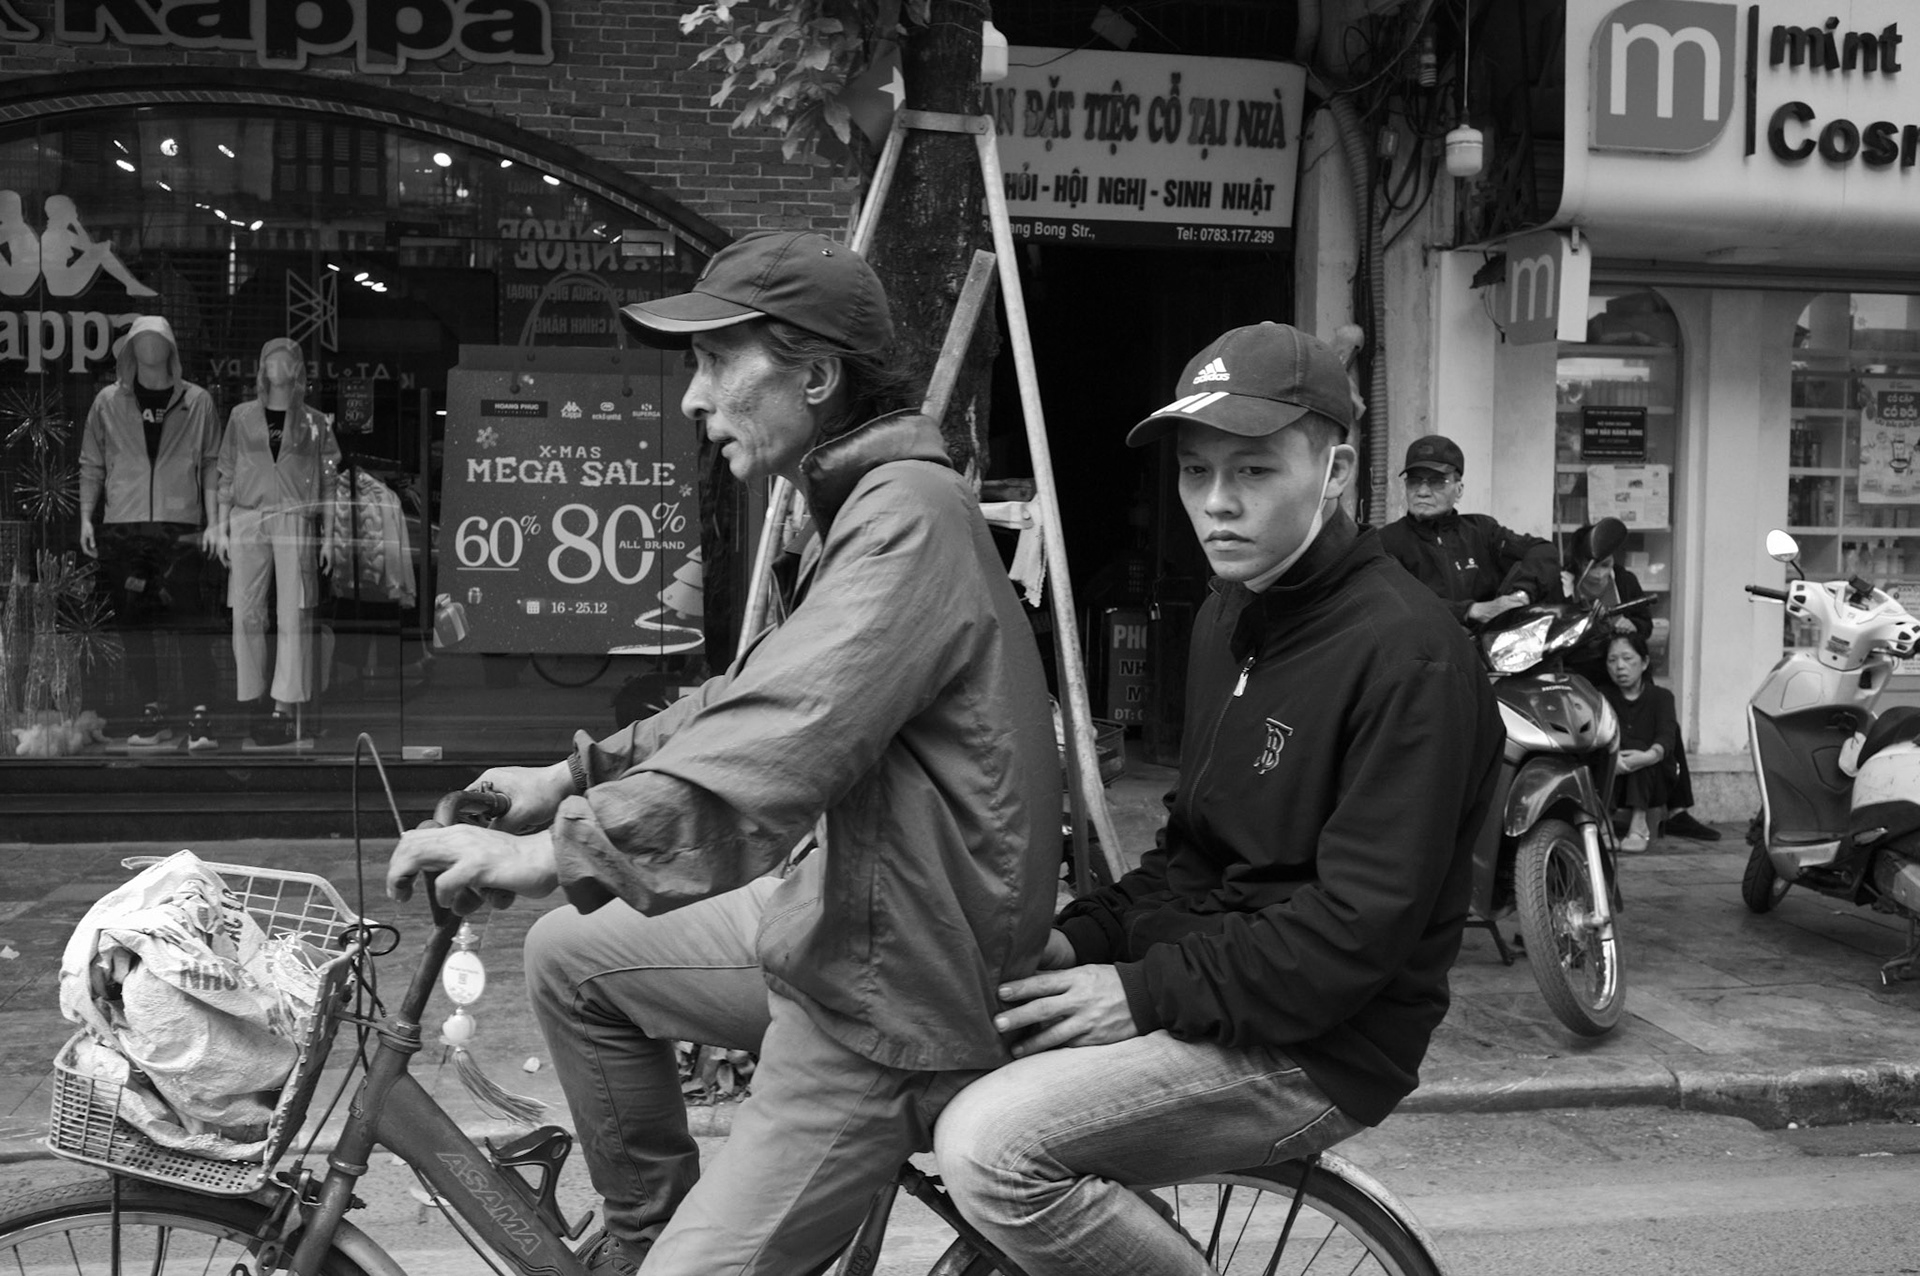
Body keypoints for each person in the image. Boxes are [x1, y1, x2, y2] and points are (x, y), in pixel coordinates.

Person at [385, 230, 1060, 1276]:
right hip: (842, 913)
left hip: (898, 989)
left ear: (817, 376)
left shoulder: (910, 520)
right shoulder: (850, 509)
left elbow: (783, 742)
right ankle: (646, 1230)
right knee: (571, 957)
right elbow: (745, 694)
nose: (695, 399)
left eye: (715, 363)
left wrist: (552, 852)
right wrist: (571, 779)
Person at [932, 323, 1505, 1276]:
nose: (1217, 505)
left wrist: (1140, 992)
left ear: (1335, 470)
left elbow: (1354, 934)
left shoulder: (1411, 656)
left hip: (1326, 1043)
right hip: (1224, 986)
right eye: (1197, 473)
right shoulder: (1229, 616)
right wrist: (1080, 939)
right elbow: (1193, 855)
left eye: (1253, 471)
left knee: (994, 1154)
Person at [78, 315, 222, 749]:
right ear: (130, 350)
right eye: (141, 341)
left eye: (158, 341)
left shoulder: (197, 402)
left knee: (189, 619)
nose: (150, 348)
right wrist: (87, 515)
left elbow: (213, 462)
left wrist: (214, 521)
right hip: (124, 525)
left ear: (171, 349)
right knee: (133, 623)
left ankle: (200, 711)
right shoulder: (107, 402)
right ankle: (151, 708)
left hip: (180, 526)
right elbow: (92, 463)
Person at [214, 337, 342, 750]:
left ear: (298, 371)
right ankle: (250, 698)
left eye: (288, 361)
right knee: (245, 612)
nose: (279, 366)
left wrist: (330, 534)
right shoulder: (240, 417)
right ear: (262, 369)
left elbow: (329, 481)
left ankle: (285, 706)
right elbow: (226, 475)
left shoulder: (315, 423)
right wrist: (219, 526)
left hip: (294, 516)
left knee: (293, 615)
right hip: (248, 515)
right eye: (272, 359)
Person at [1564, 525, 1719, 842]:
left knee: (1664, 724)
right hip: (1586, 672)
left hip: (1626, 664)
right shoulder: (1563, 585)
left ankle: (1676, 811)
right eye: (1593, 567)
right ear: (1578, 562)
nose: (1600, 574)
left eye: (1607, 565)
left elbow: (1645, 626)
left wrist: (1630, 624)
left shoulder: (1624, 581)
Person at [1378, 433, 1560, 626]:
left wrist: (1521, 594)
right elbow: (1392, 600)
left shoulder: (1482, 530)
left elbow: (1542, 551)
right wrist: (1470, 610)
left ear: (1459, 490)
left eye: (1437, 482)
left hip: (1489, 648)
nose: (1422, 492)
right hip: (1422, 649)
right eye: (1414, 481)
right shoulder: (1387, 541)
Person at [1600, 632, 1678, 853]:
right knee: (1610, 751)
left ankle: (1639, 823)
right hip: (1613, 775)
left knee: (1643, 752)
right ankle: (1604, 823)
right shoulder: (1601, 697)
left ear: (1644, 662)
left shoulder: (1662, 697)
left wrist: (1648, 757)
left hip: (1654, 780)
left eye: (1627, 659)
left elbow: (1667, 735)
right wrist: (1612, 760)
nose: (1620, 667)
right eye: (1612, 660)